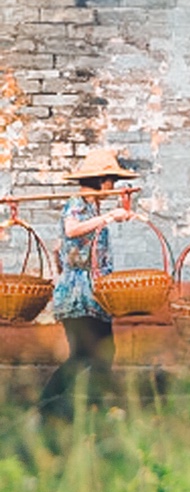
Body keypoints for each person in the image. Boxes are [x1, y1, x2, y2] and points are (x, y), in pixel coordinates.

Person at [43, 145, 137, 409]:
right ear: (101, 181)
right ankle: (47, 405)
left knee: (104, 352)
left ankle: (95, 405)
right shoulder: (77, 203)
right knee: (82, 354)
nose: (113, 186)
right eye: (111, 181)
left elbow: (60, 246)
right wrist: (109, 217)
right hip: (78, 294)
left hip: (94, 293)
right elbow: (71, 231)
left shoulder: (93, 207)